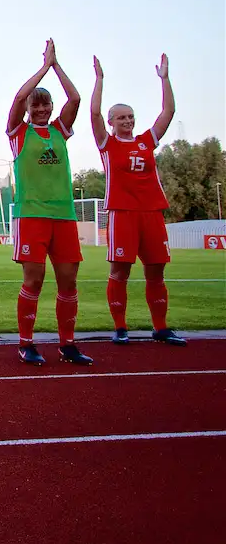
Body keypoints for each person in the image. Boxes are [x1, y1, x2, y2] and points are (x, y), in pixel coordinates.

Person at [3, 41, 95, 365]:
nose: (40, 110)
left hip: (64, 216)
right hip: (32, 216)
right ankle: (25, 343)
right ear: (29, 109)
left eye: (45, 104)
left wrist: (56, 66)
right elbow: (17, 98)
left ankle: (67, 344)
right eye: (36, 105)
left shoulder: (59, 130)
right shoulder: (18, 133)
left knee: (68, 280)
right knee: (34, 280)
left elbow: (76, 99)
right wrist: (42, 68)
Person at [92, 53, 184, 346]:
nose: (127, 121)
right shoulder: (108, 144)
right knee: (120, 271)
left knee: (156, 271)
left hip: (152, 212)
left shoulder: (146, 141)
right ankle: (120, 327)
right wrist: (99, 80)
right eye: (121, 118)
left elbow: (167, 113)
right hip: (122, 212)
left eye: (130, 117)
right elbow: (93, 114)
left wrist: (165, 79)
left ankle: (161, 327)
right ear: (111, 122)